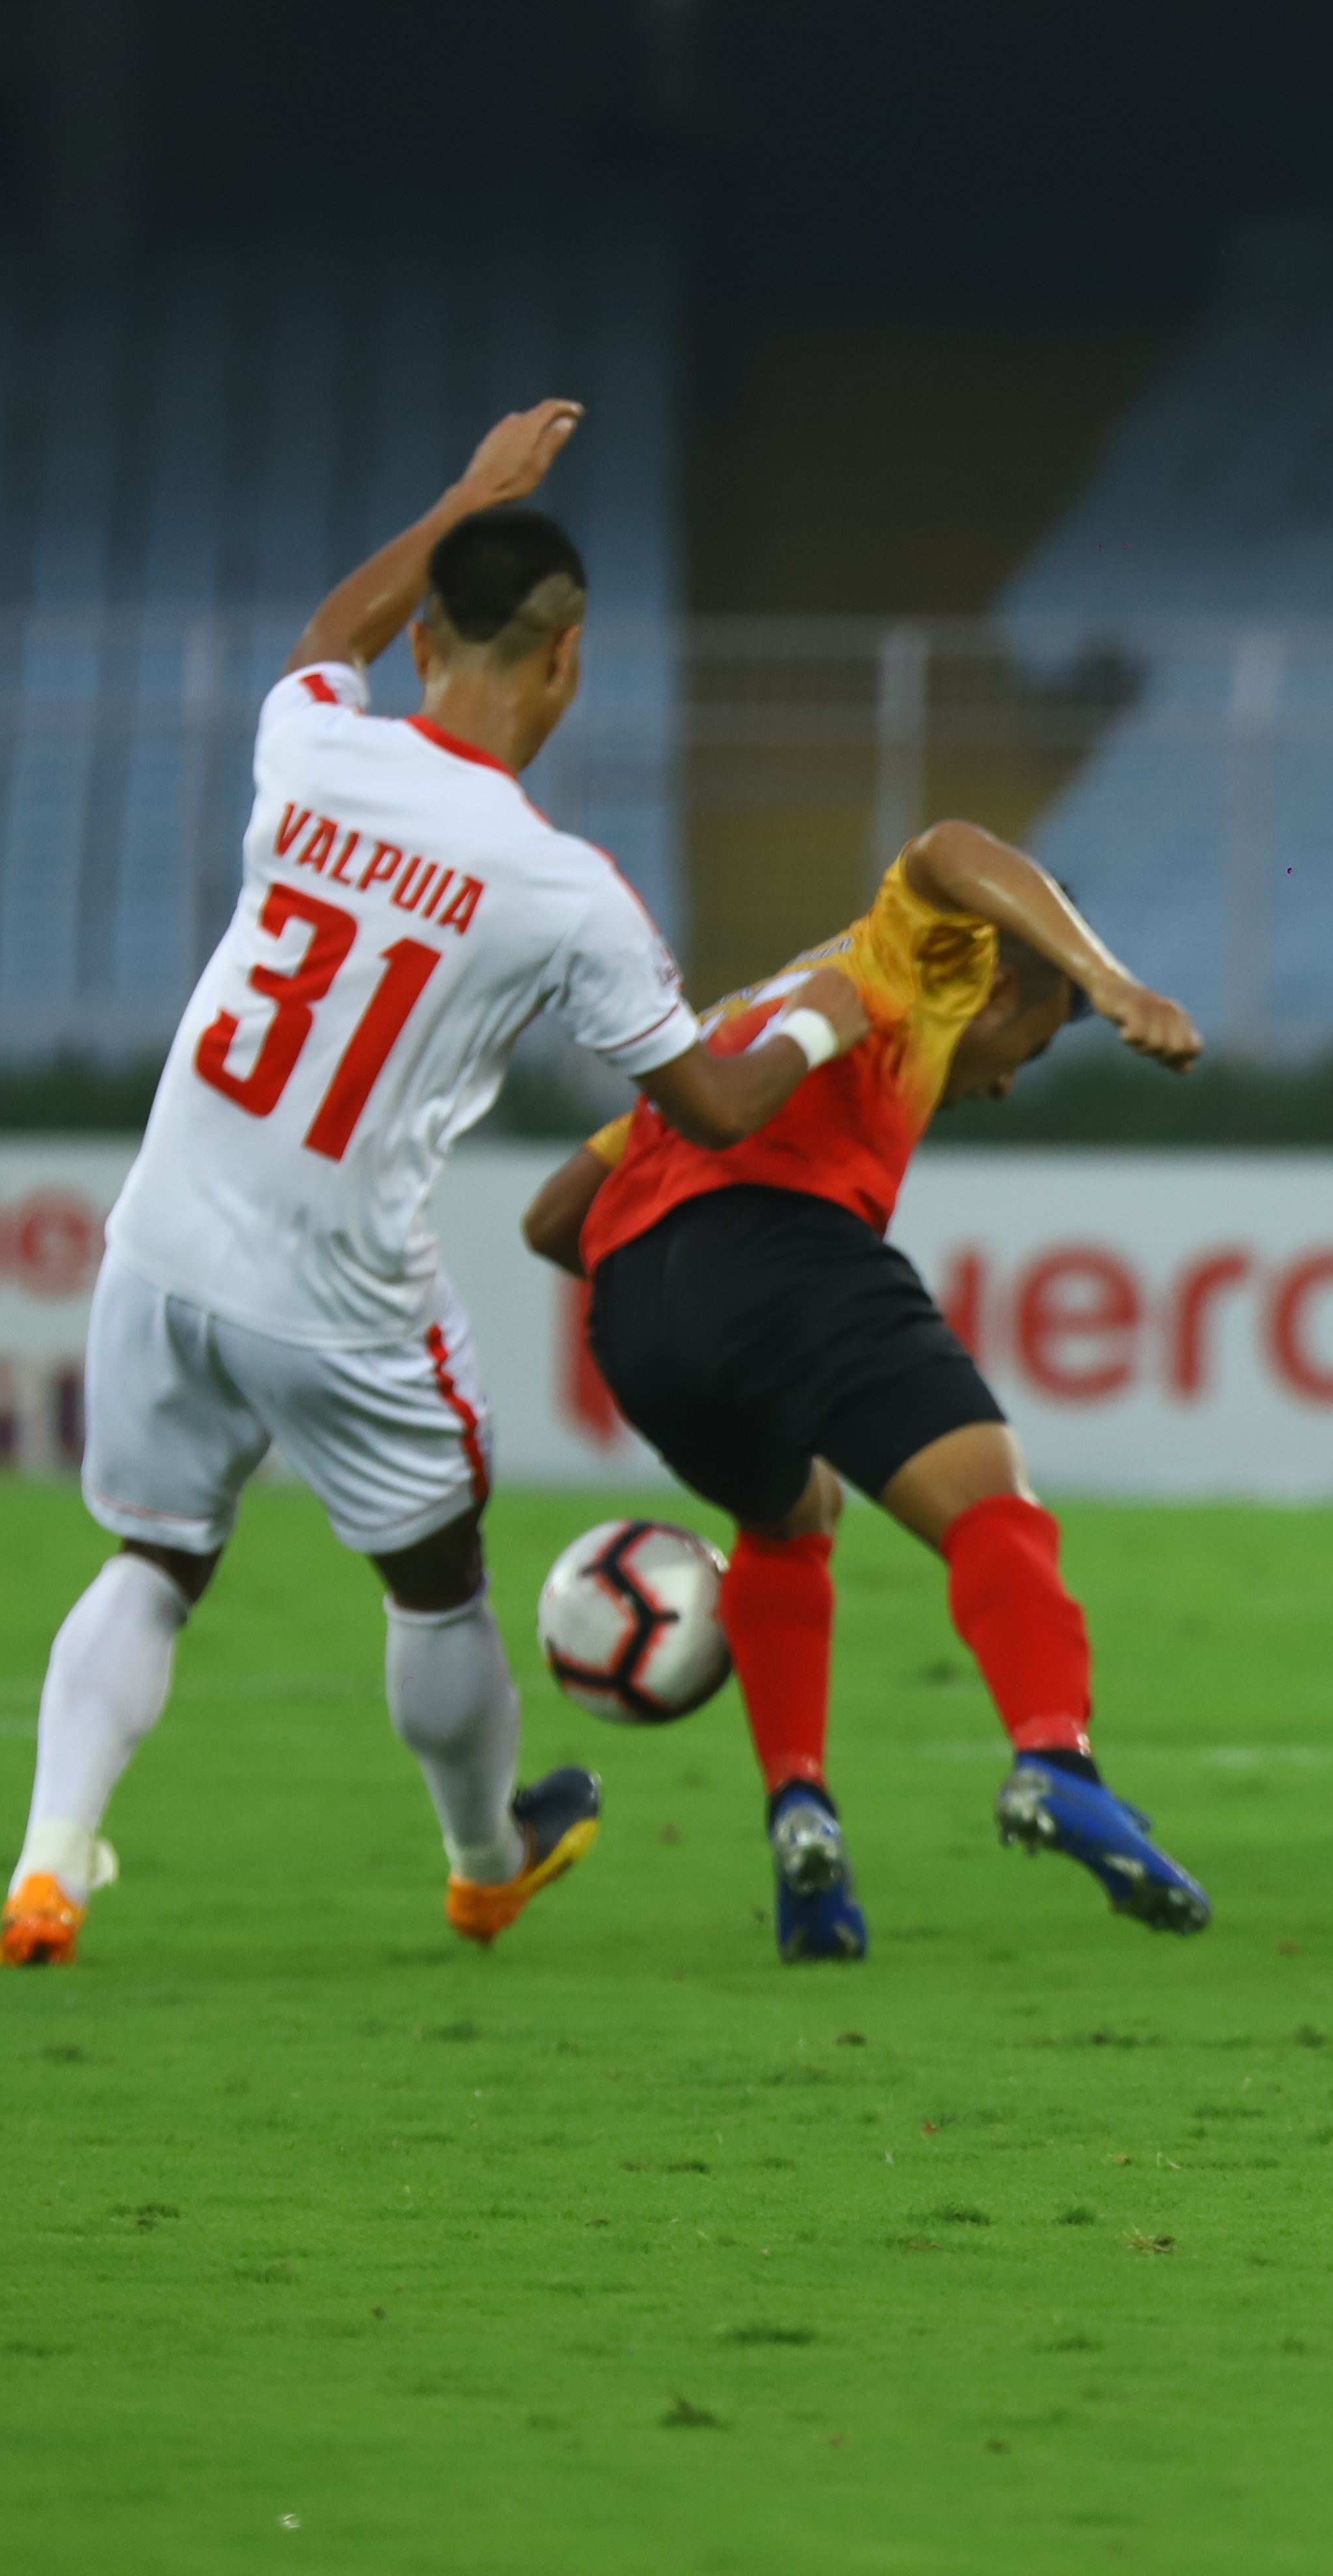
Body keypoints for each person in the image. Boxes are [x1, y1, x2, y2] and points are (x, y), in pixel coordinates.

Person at [0, 403, 846, 1969]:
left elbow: (329, 630)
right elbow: (716, 1111)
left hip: (161, 1243)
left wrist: (465, 493)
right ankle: (482, 1857)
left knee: (160, 1560)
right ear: (568, 660)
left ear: (430, 636)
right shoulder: (562, 889)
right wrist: (826, 1006)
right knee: (439, 1590)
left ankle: (48, 1861)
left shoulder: (308, 738)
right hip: (336, 1293)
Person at [516, 820, 1204, 1964]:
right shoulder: (919, 956)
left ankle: (801, 1816)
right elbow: (950, 844)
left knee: (792, 1518)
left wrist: (691, 1308)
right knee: (995, 1506)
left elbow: (552, 1221)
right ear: (1008, 986)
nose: (1008, 1082)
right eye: (1035, 1045)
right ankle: (1056, 1763)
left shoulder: (747, 1012)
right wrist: (1114, 981)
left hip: (630, 1311)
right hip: (785, 1249)